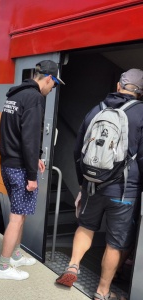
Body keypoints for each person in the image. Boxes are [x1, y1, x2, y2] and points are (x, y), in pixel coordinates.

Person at [55, 68, 143, 300]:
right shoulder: (141, 113)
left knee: (86, 226)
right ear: (140, 93)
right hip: (125, 192)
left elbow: (78, 150)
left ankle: (72, 267)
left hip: (93, 184)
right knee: (115, 243)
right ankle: (102, 292)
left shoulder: (97, 109)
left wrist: (83, 184)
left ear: (118, 86)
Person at [0, 60, 64, 280]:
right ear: (48, 79)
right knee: (17, 217)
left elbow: (14, 133)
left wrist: (35, 160)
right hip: (19, 168)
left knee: (21, 214)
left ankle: (15, 255)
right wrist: (32, 176)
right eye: (54, 85)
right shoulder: (35, 98)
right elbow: (30, 137)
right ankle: (4, 267)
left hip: (9, 162)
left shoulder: (14, 95)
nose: (52, 90)